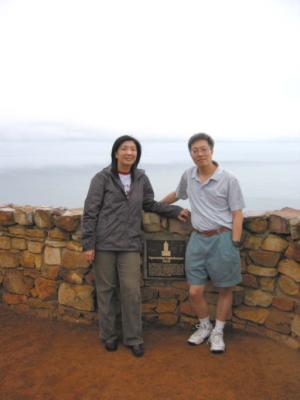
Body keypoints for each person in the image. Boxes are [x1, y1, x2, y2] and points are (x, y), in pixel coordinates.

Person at [81, 135, 188, 357]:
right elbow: (90, 212)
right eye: (125, 149)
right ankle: (108, 335)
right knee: (106, 291)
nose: (129, 152)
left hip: (130, 242)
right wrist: (88, 244)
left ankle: (133, 338)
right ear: (116, 153)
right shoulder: (101, 178)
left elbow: (149, 203)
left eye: (133, 149)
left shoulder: (140, 178)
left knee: (131, 291)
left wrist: (174, 211)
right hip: (104, 243)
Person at [161, 133, 245, 353]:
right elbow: (177, 194)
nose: (199, 154)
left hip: (223, 238)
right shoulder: (188, 176)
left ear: (211, 150)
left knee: (225, 288)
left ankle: (218, 331)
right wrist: (155, 206)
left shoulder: (229, 179)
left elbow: (237, 213)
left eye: (203, 149)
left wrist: (234, 242)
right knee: (195, 291)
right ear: (191, 153)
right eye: (195, 150)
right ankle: (205, 326)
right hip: (197, 238)